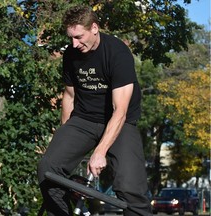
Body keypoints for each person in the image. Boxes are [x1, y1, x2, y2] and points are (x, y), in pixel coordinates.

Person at [37, 5, 153, 216]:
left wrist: (99, 152)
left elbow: (120, 110)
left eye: (79, 37)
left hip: (120, 122)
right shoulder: (71, 55)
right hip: (84, 120)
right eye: (71, 37)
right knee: (48, 168)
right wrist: (64, 136)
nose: (74, 43)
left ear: (94, 28)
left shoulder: (117, 53)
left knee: (130, 187)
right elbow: (70, 96)